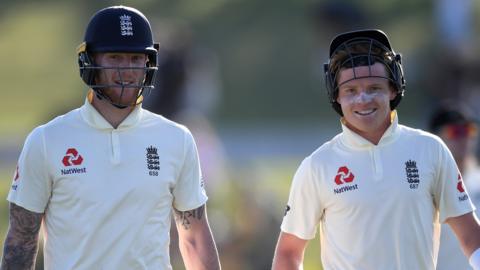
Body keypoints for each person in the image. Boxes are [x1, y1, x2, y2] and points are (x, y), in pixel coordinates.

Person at [1, 6, 221, 270]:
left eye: (135, 59)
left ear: (148, 64)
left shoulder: (177, 139)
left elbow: (194, 239)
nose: (126, 71)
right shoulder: (47, 140)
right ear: (90, 61)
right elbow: (21, 239)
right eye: (115, 57)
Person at [271, 29, 480, 270]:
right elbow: (289, 253)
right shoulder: (317, 165)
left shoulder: (430, 149)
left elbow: (470, 236)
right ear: (336, 96)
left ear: (393, 90)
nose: (363, 99)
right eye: (351, 91)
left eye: (374, 88)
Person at [430, 103, 480, 270]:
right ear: (435, 137)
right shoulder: (425, 186)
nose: (464, 138)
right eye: (456, 132)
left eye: (469, 130)